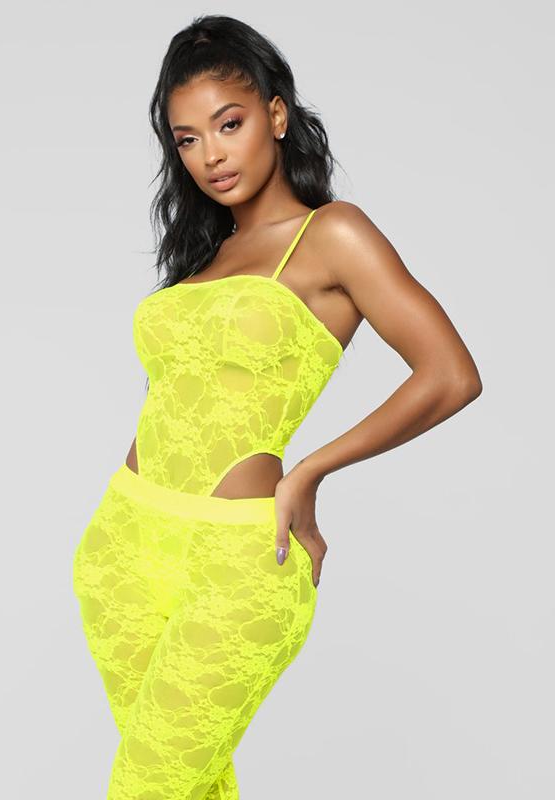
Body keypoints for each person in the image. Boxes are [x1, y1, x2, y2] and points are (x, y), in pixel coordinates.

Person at [72, 13, 482, 799]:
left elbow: (450, 375)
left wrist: (311, 471)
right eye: (187, 139)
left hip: (237, 561)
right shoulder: (206, 254)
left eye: (228, 124)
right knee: (189, 787)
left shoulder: (333, 235)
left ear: (276, 115)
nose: (211, 154)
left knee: (146, 788)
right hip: (122, 548)